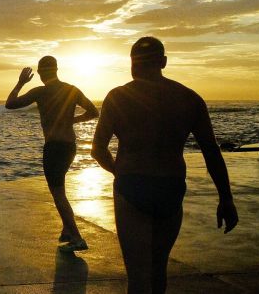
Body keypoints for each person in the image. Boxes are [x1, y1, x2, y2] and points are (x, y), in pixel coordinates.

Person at [91, 36, 238, 293]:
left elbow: (97, 150)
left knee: (138, 276)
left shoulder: (117, 97)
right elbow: (211, 151)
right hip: (170, 188)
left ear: (132, 65)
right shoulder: (189, 98)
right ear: (164, 62)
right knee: (158, 270)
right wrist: (226, 198)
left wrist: (120, 172)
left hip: (132, 186)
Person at [5, 56, 99, 252]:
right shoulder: (72, 89)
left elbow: (10, 103)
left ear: (39, 74)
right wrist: (71, 120)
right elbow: (93, 112)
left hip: (54, 147)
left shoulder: (40, 91)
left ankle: (77, 237)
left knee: (58, 194)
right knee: (60, 188)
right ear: (57, 70)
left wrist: (20, 82)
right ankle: (67, 230)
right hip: (69, 146)